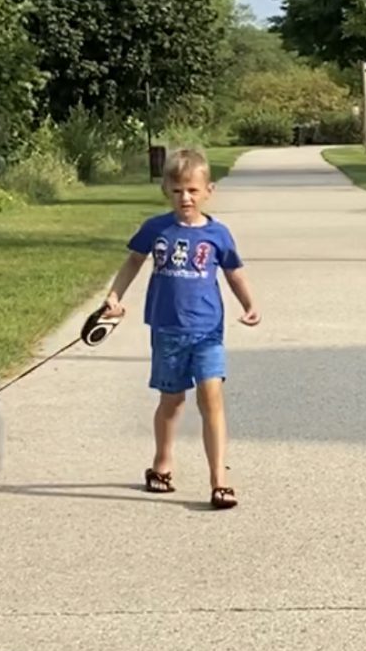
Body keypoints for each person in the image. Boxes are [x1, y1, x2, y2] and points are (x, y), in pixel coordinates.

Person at [102, 147, 259, 509]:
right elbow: (132, 263)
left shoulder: (218, 234)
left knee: (211, 399)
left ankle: (219, 479)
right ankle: (162, 463)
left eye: (192, 190)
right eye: (177, 191)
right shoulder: (156, 229)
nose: (184, 198)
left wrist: (249, 304)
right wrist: (113, 297)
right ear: (166, 191)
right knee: (171, 402)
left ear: (208, 190)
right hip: (166, 329)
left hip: (207, 331)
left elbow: (234, 272)